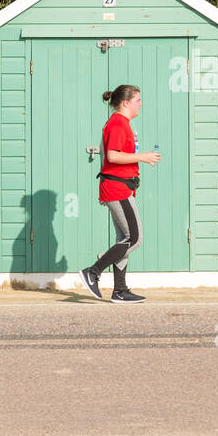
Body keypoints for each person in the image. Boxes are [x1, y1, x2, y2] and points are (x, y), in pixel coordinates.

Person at [78, 84, 160, 303]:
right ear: (126, 103)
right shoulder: (118, 123)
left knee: (124, 239)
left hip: (123, 187)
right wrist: (142, 157)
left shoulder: (124, 123)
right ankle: (93, 271)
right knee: (134, 239)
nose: (140, 104)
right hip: (116, 188)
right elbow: (113, 156)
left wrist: (134, 183)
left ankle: (120, 291)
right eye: (138, 100)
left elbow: (120, 158)